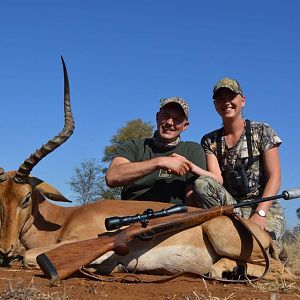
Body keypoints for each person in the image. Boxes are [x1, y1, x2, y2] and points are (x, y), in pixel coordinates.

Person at [192, 77, 286, 258]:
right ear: (215, 105)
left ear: (243, 101)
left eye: (231, 97)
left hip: (263, 205)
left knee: (263, 251)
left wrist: (260, 213)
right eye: (220, 99)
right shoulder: (209, 140)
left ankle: (275, 249)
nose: (226, 102)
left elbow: (275, 176)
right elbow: (215, 179)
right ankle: (230, 230)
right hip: (232, 207)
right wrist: (191, 167)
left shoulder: (263, 131)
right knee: (202, 184)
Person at [105, 97, 222, 204]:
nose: (170, 123)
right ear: (157, 116)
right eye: (165, 116)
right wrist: (159, 162)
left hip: (172, 219)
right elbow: (112, 177)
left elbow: (191, 196)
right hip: (129, 216)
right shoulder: (134, 146)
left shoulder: (192, 150)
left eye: (177, 119)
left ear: (185, 126)